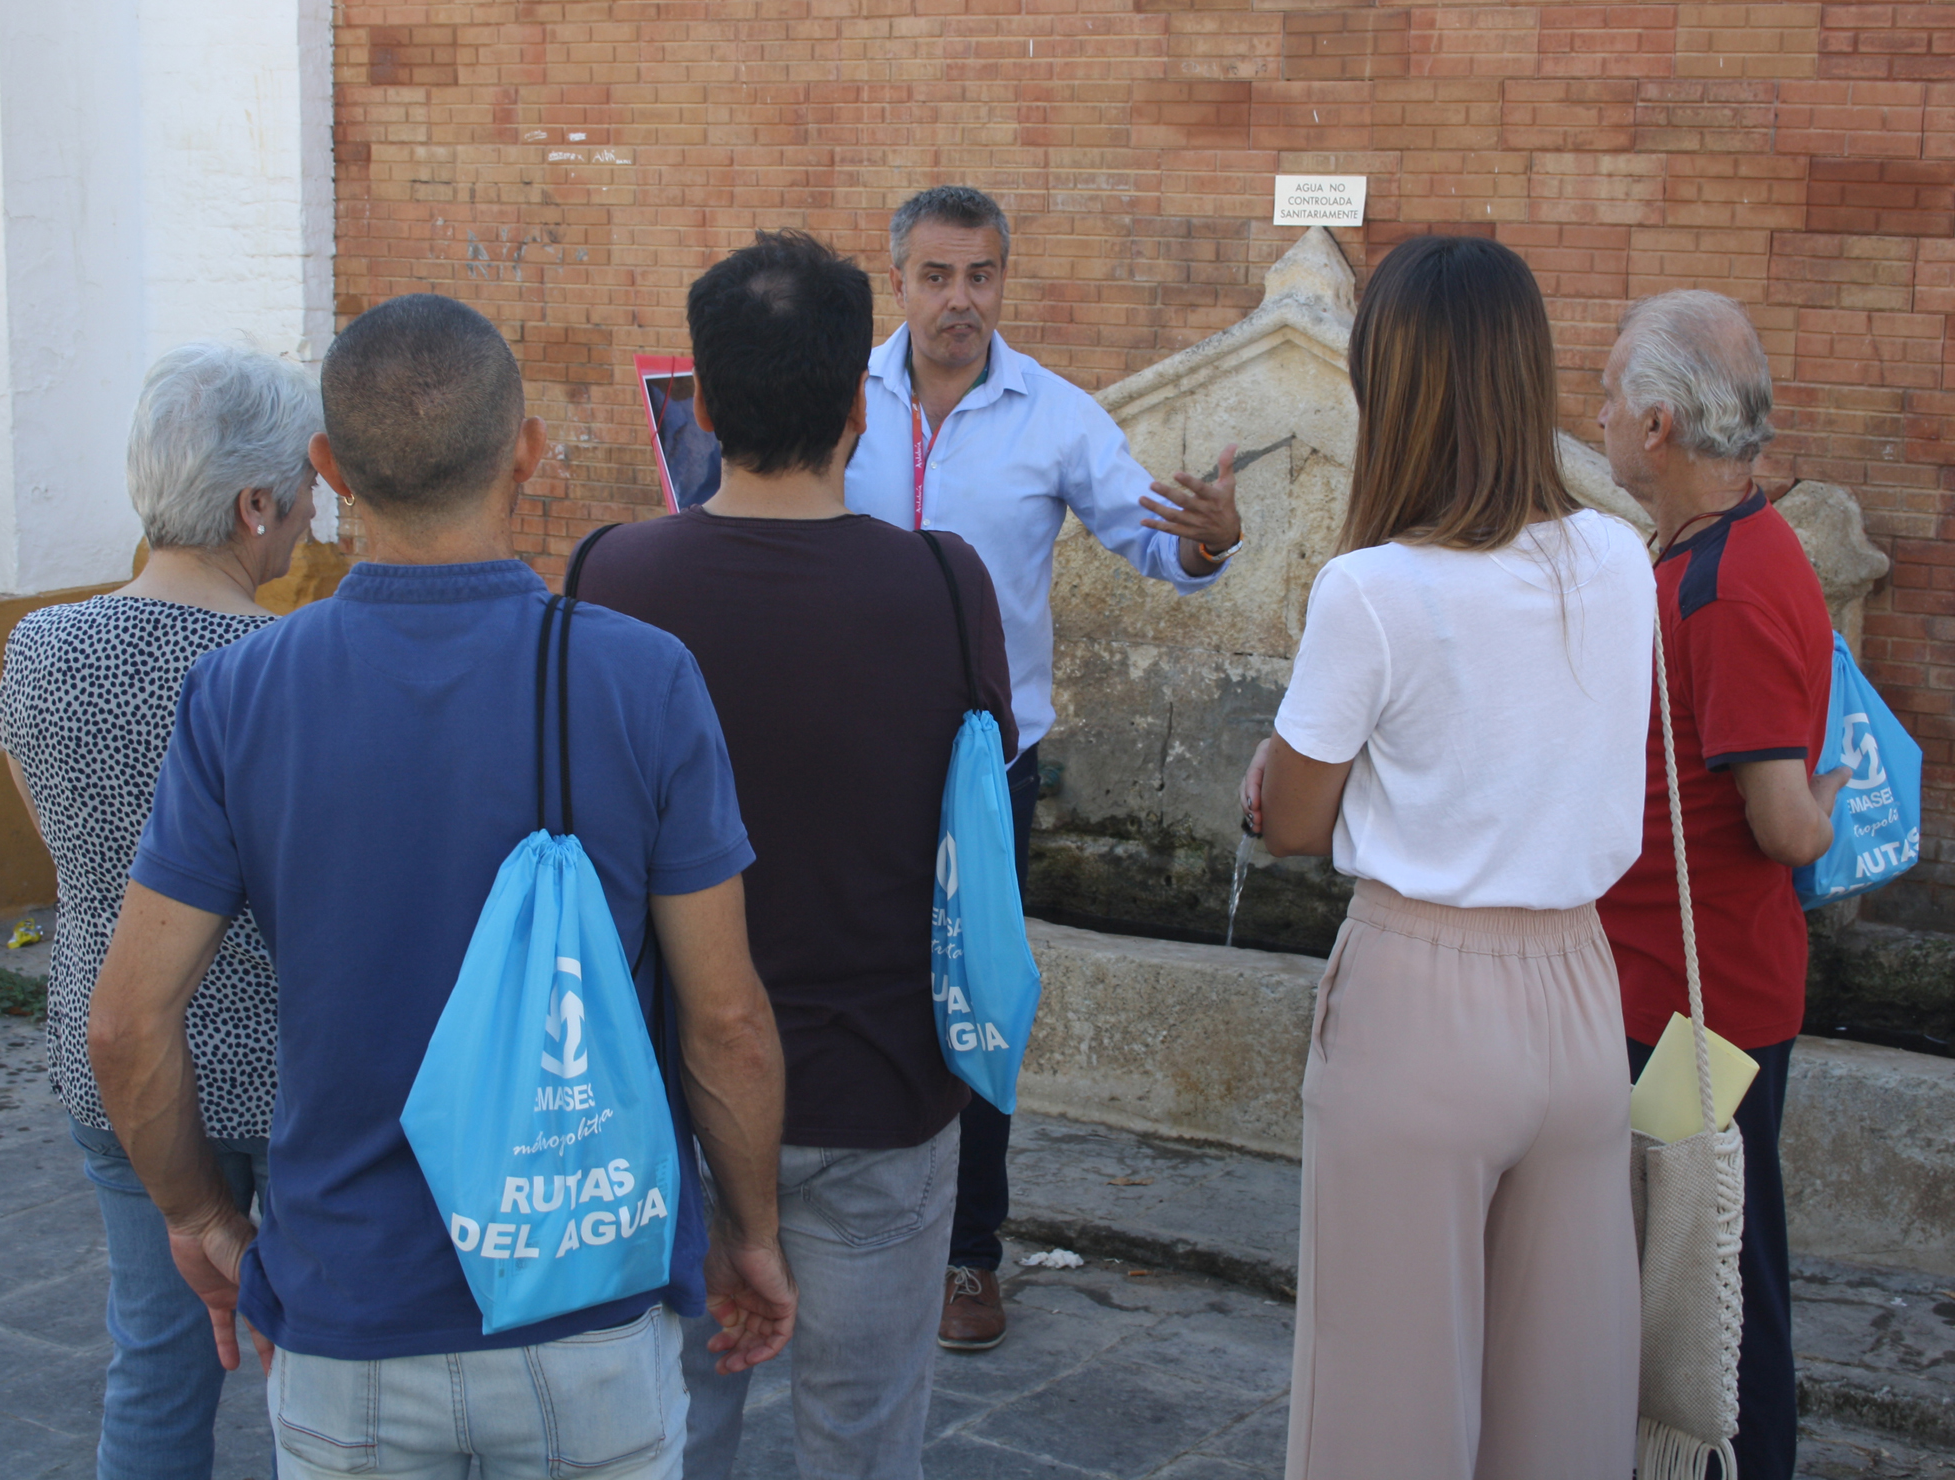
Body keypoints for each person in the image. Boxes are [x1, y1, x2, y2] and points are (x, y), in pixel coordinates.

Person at [85, 293, 796, 1480]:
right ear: (527, 451)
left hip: (345, 1310)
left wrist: (200, 1216)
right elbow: (726, 1020)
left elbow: (123, 1023)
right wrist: (750, 1227)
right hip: (584, 1296)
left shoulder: (240, 694)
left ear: (328, 470)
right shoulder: (643, 679)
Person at [574, 230, 1017, 1478]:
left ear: (702, 408)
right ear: (858, 411)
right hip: (881, 1087)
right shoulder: (944, 584)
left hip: (667, 1095)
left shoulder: (611, 574)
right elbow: (982, 779)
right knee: (865, 1444)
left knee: (665, 1438)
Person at [1242, 235, 1655, 1478]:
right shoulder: (1619, 556)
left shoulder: (1371, 588)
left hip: (1420, 996)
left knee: (1384, 1406)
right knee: (1563, 1407)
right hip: (1579, 995)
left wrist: (1275, 777)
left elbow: (1294, 820)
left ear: (1387, 384)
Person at [842, 184, 1246, 1351]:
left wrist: (1208, 539)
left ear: (1001, 281)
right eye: (935, 276)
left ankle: (968, 1254)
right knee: (844, 991)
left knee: (976, 1008)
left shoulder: (1056, 418)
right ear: (897, 281)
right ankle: (843, 1233)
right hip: (848, 763)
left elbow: (1156, 542)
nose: (958, 300)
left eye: (979, 276)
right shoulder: (841, 402)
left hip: (985, 775)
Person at [0, 340, 318, 1480]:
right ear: (254, 505)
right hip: (291, 1075)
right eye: (305, 489)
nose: (314, 516)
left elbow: (70, 858)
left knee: (155, 1364)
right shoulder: (291, 667)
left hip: (123, 1067)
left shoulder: (40, 649)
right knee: (329, 1378)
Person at [1596, 290, 1843, 1480]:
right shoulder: (1715, 551)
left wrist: (1827, 805)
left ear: (1654, 426)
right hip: (1675, 994)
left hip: (1695, 1011)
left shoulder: (1724, 584)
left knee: (1713, 1284)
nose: (1594, 412)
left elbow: (1782, 824)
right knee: (1687, 1266)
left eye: (1606, 393)